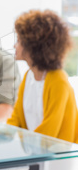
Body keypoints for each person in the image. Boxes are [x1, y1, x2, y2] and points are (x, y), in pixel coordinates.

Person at [7, 10, 78, 143]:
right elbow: (15, 118)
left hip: (58, 159)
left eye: (19, 41)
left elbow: (49, 132)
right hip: (35, 153)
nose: (14, 46)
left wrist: (17, 140)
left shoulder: (58, 79)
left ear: (33, 46)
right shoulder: (29, 76)